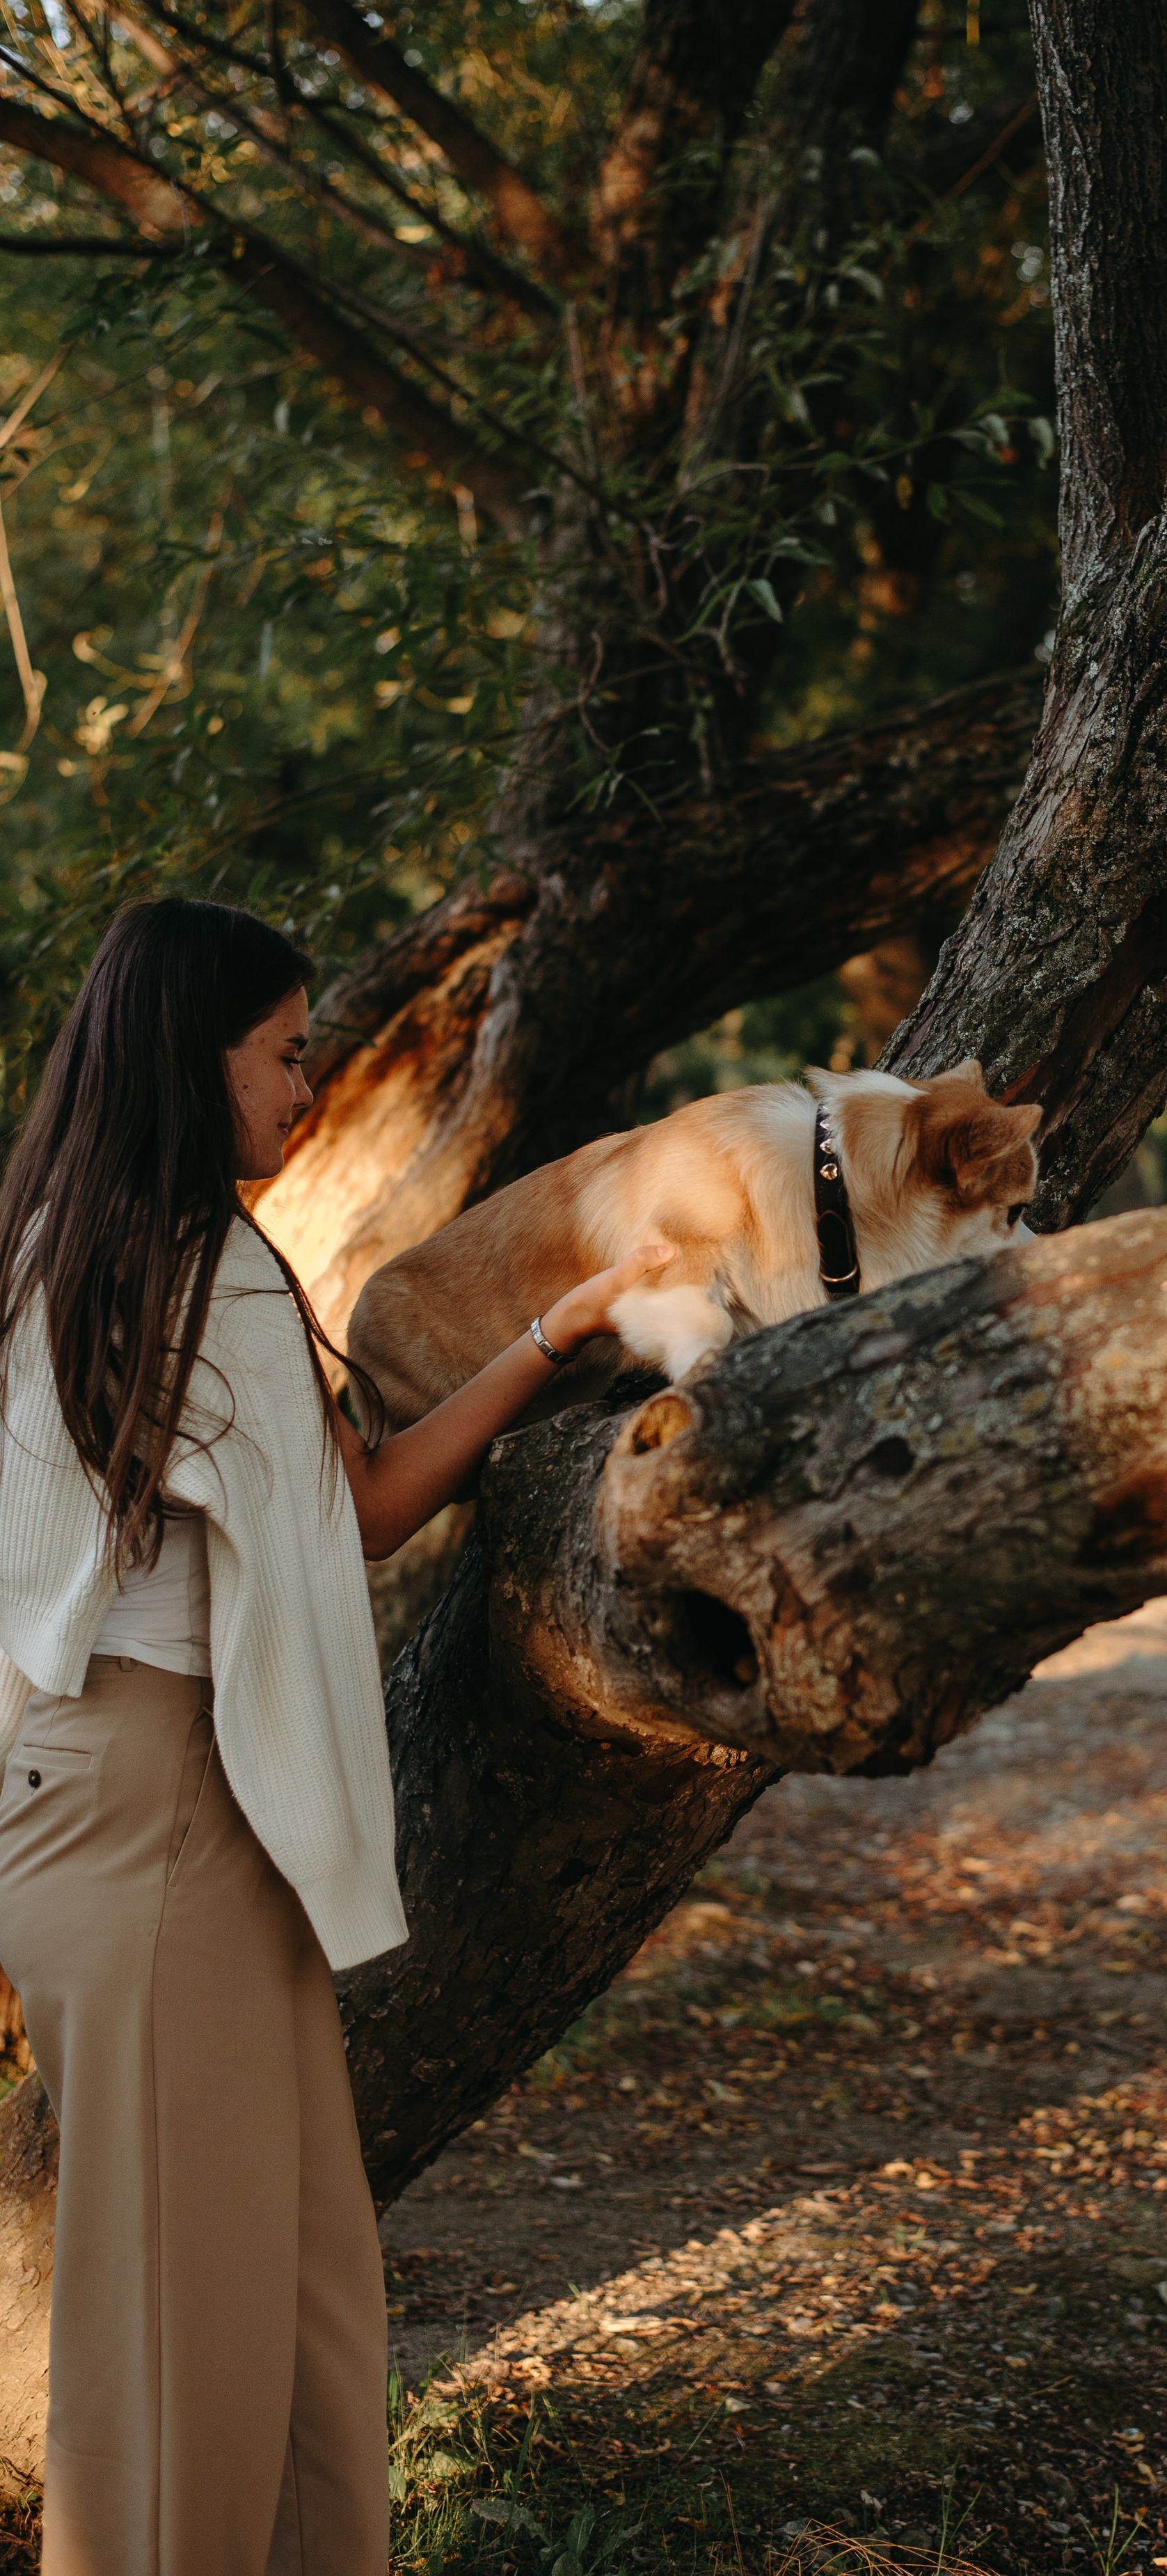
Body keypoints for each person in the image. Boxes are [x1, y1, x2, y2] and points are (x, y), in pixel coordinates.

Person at [0, 896, 669, 2575]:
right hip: (163, 1811)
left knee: (285, 2276)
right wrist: (557, 1339)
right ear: (191, 1057)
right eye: (284, 1052)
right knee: (177, 2324)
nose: (307, 1088)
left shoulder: (45, 1241)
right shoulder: (207, 1267)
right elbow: (360, 1517)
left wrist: (538, 1339)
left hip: (87, 1801)